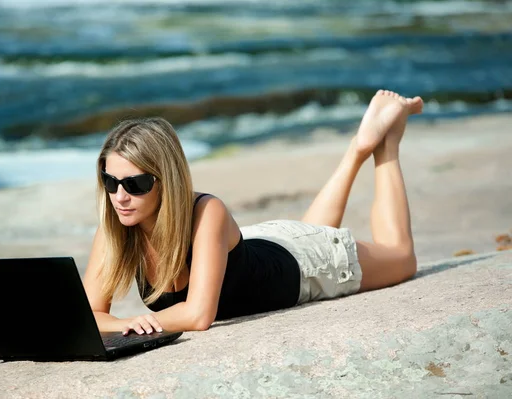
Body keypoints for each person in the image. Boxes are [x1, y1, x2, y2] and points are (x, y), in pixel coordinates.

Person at [83, 90, 423, 336]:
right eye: (110, 181)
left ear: (166, 180)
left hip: (309, 265)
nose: (120, 196)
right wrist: (125, 324)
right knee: (306, 230)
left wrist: (131, 325)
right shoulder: (115, 229)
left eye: (136, 184)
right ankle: (357, 148)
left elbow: (199, 315)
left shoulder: (206, 212)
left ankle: (384, 142)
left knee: (402, 258)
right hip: (265, 243)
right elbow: (88, 316)